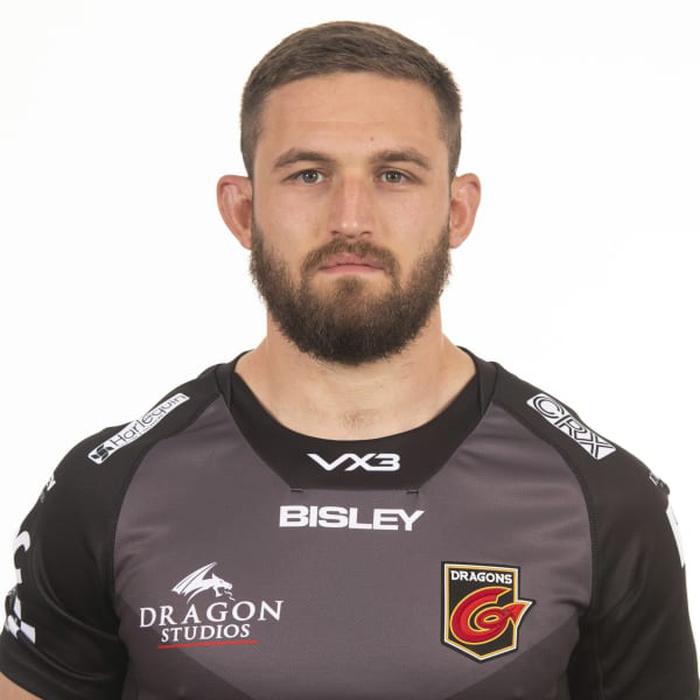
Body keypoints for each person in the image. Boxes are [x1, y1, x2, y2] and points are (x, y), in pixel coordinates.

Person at [0, 19, 697, 700]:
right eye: (308, 174)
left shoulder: (601, 499)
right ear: (242, 212)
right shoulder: (109, 492)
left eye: (395, 174)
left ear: (457, 211)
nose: (351, 219)